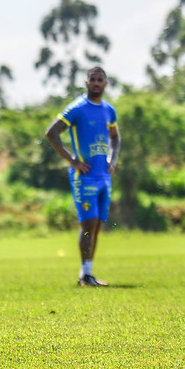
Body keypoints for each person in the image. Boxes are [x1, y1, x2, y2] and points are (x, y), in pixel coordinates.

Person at [44, 66, 120, 287]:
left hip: (103, 175)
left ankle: (88, 272)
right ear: (86, 83)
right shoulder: (77, 108)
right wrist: (73, 161)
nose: (96, 83)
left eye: (100, 80)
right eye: (92, 79)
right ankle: (85, 275)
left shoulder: (109, 110)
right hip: (84, 176)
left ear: (106, 83)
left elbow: (115, 137)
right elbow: (51, 132)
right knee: (88, 223)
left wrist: (112, 160)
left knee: (97, 225)